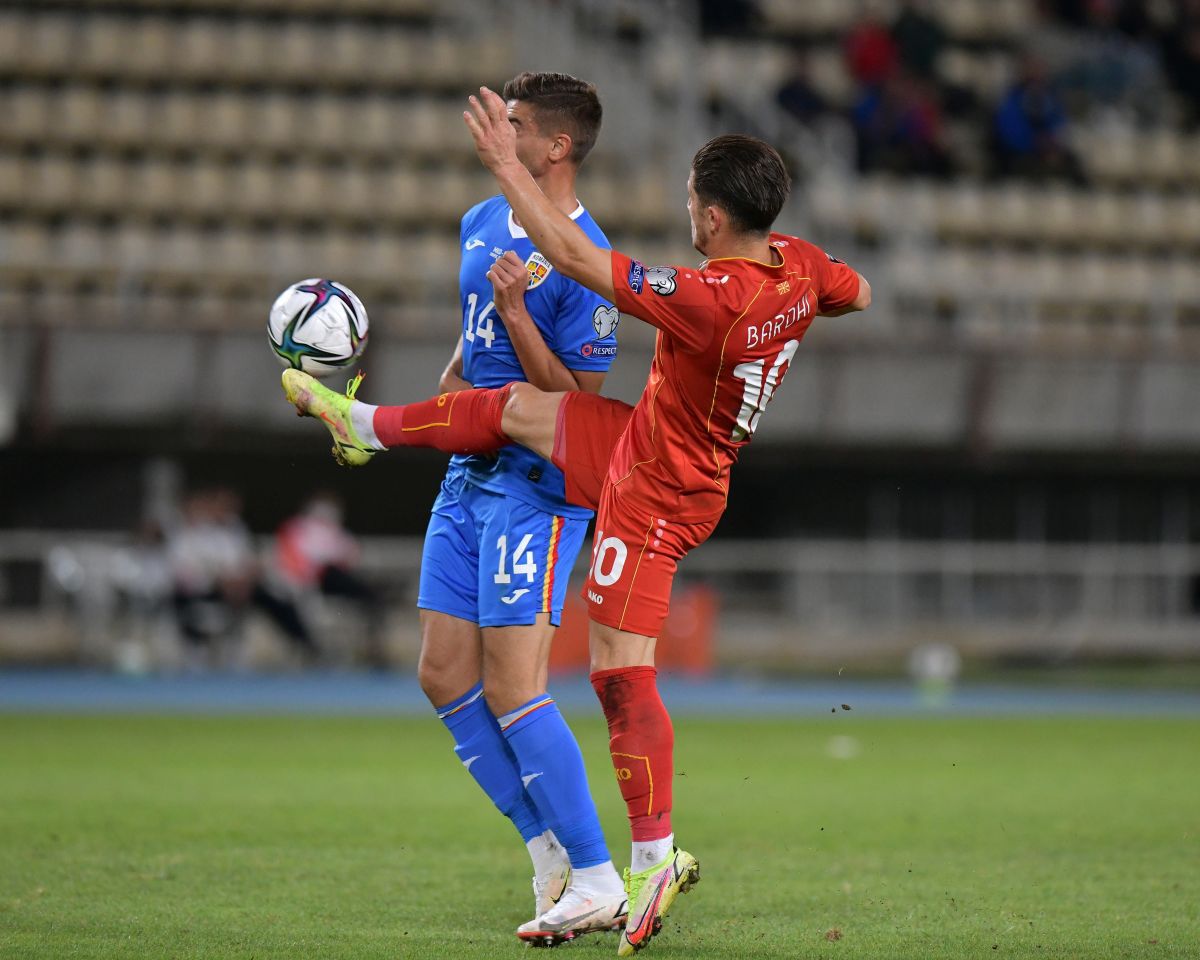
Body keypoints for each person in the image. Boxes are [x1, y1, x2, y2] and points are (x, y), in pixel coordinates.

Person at [282, 94, 871, 956]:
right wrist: (797, 318)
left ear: (712, 215)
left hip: (658, 491)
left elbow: (574, 254)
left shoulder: (712, 297)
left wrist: (505, 168)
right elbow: (859, 292)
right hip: (645, 444)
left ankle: (645, 862)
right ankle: (362, 425)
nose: (686, 219)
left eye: (688, 206)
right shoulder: (802, 266)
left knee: (618, 676)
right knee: (518, 406)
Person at [399, 72, 628, 945]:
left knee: (512, 682)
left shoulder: (586, 255)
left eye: (518, 124)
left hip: (536, 487)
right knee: (443, 673)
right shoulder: (478, 220)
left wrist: (518, 314)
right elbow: (473, 343)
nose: (501, 131)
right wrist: (447, 396)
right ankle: (547, 852)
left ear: (557, 147)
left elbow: (582, 407)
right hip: (468, 472)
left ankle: (598, 875)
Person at [274, 491, 386, 667]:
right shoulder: (296, 528)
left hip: (332, 580)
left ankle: (373, 647)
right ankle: (313, 651)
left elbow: (351, 556)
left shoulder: (335, 532)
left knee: (370, 596)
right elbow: (292, 560)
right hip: (308, 582)